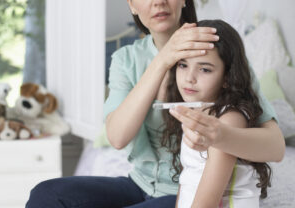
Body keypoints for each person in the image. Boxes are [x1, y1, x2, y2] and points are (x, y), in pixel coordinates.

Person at [26, 0, 284, 207]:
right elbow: (117, 137)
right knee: (47, 194)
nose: (158, 2)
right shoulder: (126, 60)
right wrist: (163, 60)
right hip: (139, 184)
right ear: (132, 5)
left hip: (183, 195)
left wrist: (220, 135)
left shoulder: (218, 52)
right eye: (182, 66)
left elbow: (275, 147)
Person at [164, 19, 271, 208]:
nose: (189, 78)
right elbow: (188, 179)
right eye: (183, 65)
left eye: (204, 69)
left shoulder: (229, 120)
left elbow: (207, 202)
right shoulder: (193, 112)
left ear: (227, 78)